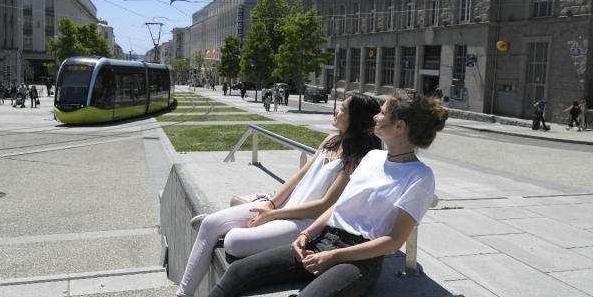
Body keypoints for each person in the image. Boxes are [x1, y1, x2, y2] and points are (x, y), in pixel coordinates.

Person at [209, 92, 448, 297]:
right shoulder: (372, 158)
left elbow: (394, 241)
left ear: (400, 126)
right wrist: (306, 233)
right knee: (238, 271)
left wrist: (334, 256)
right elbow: (340, 205)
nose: (376, 116)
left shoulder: (420, 177)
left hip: (360, 259)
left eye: (382, 113)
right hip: (322, 240)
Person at [176, 94, 383, 297]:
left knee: (232, 242)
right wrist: (272, 205)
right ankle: (182, 294)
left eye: (343, 109)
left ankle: (228, 229)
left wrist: (273, 215)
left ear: (355, 119)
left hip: (303, 223)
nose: (336, 110)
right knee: (210, 223)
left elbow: (324, 205)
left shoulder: (357, 158)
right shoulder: (331, 140)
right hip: (286, 207)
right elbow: (301, 174)